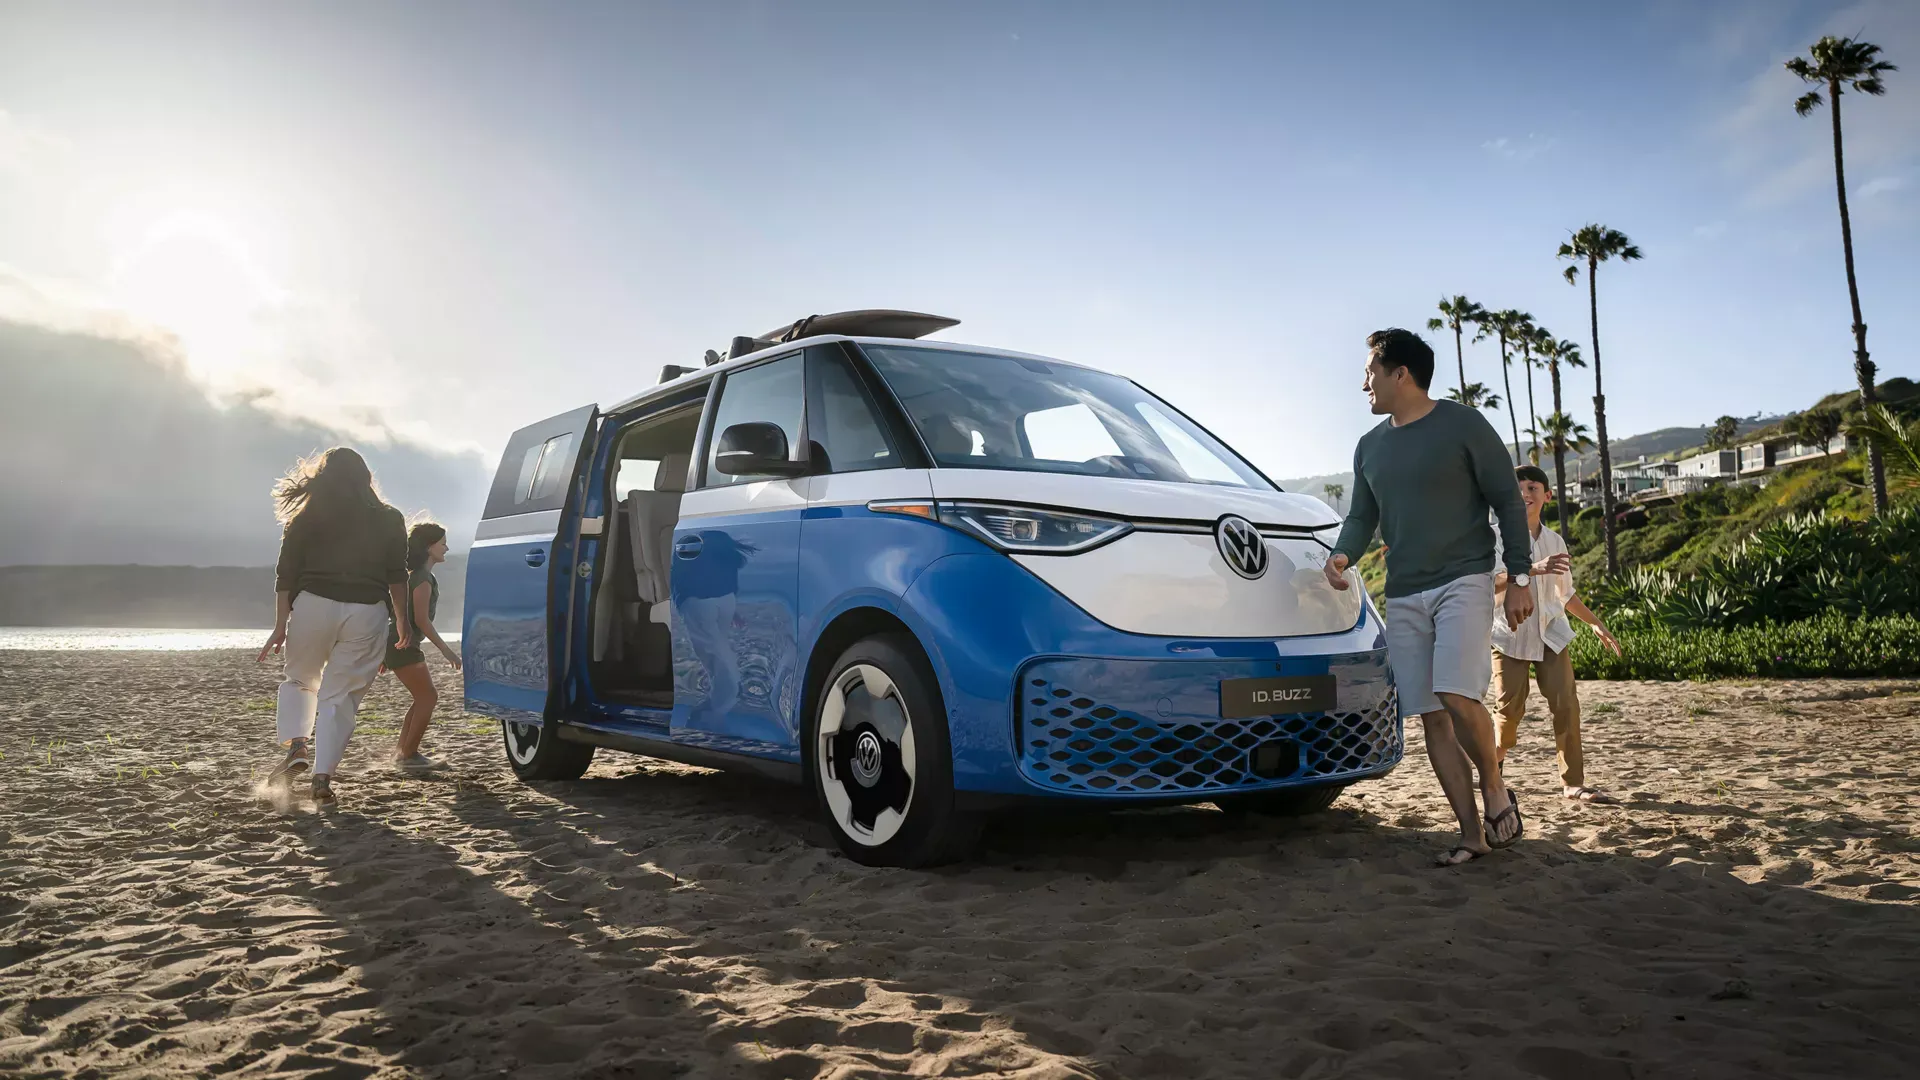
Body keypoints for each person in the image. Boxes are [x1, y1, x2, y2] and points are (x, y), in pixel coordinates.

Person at [1324, 328, 1535, 867]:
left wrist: (1519, 578)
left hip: (1464, 578)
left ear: (1402, 374)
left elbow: (1507, 500)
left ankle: (1494, 785)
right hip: (1405, 593)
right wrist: (1343, 554)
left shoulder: (1462, 423)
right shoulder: (1369, 447)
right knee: (1430, 718)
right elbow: (1362, 516)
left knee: (1458, 694)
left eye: (1371, 371)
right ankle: (1472, 835)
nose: (1363, 382)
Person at [257, 447, 410, 807]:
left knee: (300, 679)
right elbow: (396, 574)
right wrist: (402, 618)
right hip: (367, 610)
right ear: (366, 478)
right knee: (339, 698)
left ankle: (297, 746)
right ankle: (322, 776)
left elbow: (286, 573)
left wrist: (281, 624)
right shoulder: (389, 518)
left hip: (313, 605)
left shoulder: (306, 516)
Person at [1491, 465, 1623, 802]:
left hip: (1552, 634)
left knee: (1567, 706)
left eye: (1532, 487)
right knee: (1507, 719)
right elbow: (1487, 584)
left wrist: (1595, 622)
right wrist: (1531, 570)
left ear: (1547, 496)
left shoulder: (1555, 541)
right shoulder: (1493, 537)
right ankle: (1493, 771)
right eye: (1517, 488)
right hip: (1509, 636)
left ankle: (1573, 783)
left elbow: (1566, 593)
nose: (1524, 494)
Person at [385, 520, 461, 774]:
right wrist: (446, 649)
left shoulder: (418, 577)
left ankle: (402, 752)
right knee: (428, 697)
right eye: (442, 543)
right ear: (430, 547)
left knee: (422, 697)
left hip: (400, 643)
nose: (447, 548)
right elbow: (420, 620)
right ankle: (409, 754)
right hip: (404, 644)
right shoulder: (423, 579)